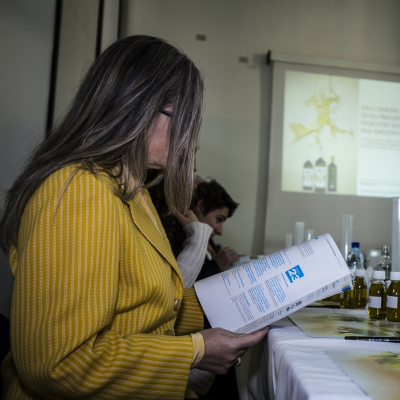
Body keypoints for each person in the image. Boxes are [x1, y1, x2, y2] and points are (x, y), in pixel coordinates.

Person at [0, 35, 268, 400]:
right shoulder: (79, 190)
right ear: (138, 107)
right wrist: (196, 351)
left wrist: (246, 301)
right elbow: (60, 363)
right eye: (185, 120)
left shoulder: (133, 189)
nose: (192, 137)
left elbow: (148, 304)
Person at [191, 179, 243, 281]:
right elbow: (180, 284)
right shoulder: (176, 240)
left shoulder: (208, 243)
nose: (220, 231)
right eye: (219, 219)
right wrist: (215, 265)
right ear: (201, 207)